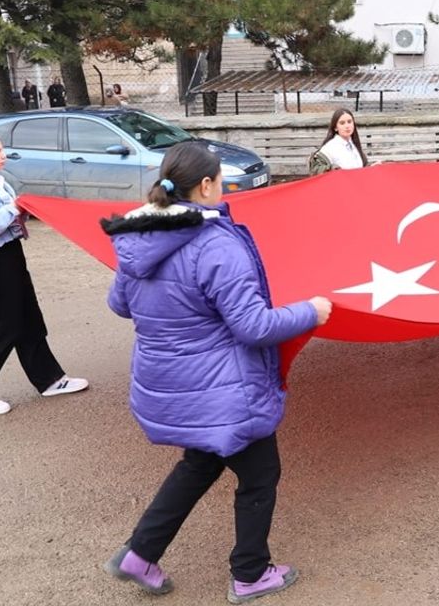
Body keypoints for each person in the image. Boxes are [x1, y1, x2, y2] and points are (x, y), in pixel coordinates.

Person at [101, 141, 332, 603]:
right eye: (221, 179)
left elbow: (119, 303)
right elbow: (253, 326)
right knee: (260, 475)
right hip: (225, 389)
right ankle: (250, 573)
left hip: (175, 383)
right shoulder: (216, 244)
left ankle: (140, 555)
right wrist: (311, 311)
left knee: (200, 463)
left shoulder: (137, 236)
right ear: (206, 186)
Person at [0, 132, 89, 415]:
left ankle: (49, 379)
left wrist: (22, 210)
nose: (3, 156)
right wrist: (11, 210)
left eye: (2, 151)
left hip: (10, 254)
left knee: (29, 318)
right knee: (6, 327)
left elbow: (8, 220)